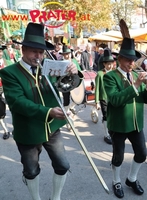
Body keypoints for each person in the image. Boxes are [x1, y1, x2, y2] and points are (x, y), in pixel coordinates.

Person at [0, 22, 82, 200]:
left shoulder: (50, 67)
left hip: (52, 128)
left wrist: (74, 72)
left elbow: (68, 85)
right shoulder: (10, 73)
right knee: (31, 170)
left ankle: (56, 197)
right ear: (24, 50)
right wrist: (48, 112)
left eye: (41, 52)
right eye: (34, 52)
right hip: (28, 131)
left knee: (63, 165)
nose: (38, 56)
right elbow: (17, 102)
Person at [103, 37, 147, 198]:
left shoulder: (135, 75)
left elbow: (145, 100)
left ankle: (132, 178)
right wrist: (137, 85)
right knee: (118, 156)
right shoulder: (110, 76)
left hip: (136, 123)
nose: (132, 64)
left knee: (142, 154)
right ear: (119, 59)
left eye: (134, 60)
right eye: (128, 60)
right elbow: (115, 100)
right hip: (118, 124)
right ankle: (116, 180)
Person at [95, 48, 116, 145]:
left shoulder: (115, 73)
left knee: (113, 115)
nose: (110, 65)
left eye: (111, 63)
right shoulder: (100, 74)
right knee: (106, 116)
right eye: (108, 63)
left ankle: (112, 132)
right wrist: (96, 102)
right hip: (103, 98)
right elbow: (97, 88)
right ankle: (106, 134)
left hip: (113, 98)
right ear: (104, 64)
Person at [60, 45, 82, 130]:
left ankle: (70, 109)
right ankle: (67, 119)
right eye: (65, 54)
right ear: (63, 55)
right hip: (64, 84)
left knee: (76, 99)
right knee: (66, 101)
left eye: (68, 53)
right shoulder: (60, 62)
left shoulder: (74, 61)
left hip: (74, 84)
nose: (67, 55)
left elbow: (79, 71)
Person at [0, 44, 13, 139]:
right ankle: (6, 130)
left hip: (9, 88)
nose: (0, 53)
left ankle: (16, 128)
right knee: (0, 112)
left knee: (15, 108)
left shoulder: (7, 62)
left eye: (0, 51)